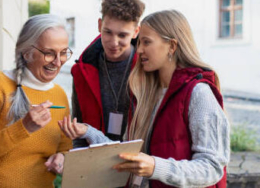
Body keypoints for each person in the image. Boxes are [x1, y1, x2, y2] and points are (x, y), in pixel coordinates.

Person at [59, 10, 230, 188]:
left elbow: (212, 168)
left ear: (172, 46)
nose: (139, 49)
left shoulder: (199, 94)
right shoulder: (145, 93)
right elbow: (130, 155)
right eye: (139, 42)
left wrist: (155, 167)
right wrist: (88, 132)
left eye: (146, 42)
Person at [0, 14, 73, 188]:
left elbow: (64, 148)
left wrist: (61, 158)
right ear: (26, 52)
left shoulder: (60, 94)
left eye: (63, 53)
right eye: (49, 53)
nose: (58, 62)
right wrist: (24, 128)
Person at [71, 0, 145, 147]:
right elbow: (78, 129)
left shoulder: (148, 69)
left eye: (122, 35)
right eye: (108, 32)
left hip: (139, 162)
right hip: (94, 163)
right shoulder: (81, 72)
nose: (114, 42)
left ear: (135, 32)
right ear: (99, 25)